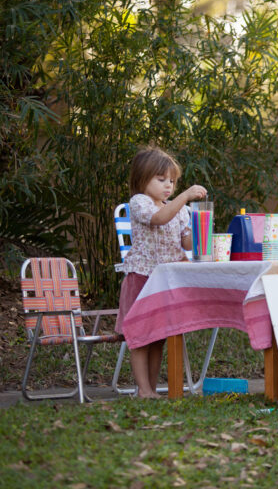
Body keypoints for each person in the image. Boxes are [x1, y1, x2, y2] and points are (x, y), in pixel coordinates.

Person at [116, 147, 207, 398]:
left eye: (173, 181)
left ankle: (151, 390)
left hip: (166, 280)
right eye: (161, 179)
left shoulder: (179, 210)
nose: (169, 186)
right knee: (141, 335)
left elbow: (186, 243)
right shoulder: (139, 203)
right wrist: (185, 197)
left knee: (158, 336)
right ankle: (143, 389)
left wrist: (199, 231)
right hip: (142, 277)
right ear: (142, 178)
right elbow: (159, 218)